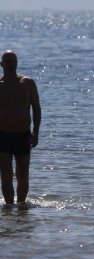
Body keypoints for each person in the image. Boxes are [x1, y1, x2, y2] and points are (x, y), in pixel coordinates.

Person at [0, 50, 41, 209]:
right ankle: (9, 209)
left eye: (13, 61)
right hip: (3, 136)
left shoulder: (27, 83)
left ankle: (22, 208)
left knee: (23, 176)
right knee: (6, 175)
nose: (11, 64)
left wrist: (36, 132)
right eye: (8, 61)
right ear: (1, 64)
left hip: (23, 135)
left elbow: (36, 108)